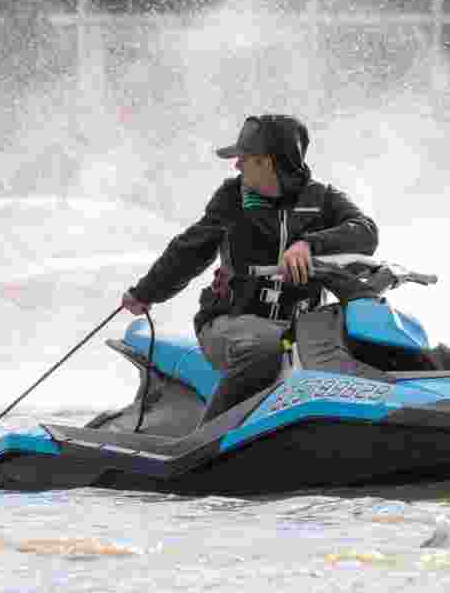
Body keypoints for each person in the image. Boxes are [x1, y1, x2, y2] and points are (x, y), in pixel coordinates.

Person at [119, 114, 379, 424]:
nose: (236, 165)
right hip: (229, 323)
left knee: (359, 345)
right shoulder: (232, 199)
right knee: (269, 347)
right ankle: (209, 443)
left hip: (301, 333)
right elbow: (188, 250)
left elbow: (365, 232)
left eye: (244, 158)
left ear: (267, 163)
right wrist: (145, 293)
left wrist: (309, 245)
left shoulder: (324, 199)